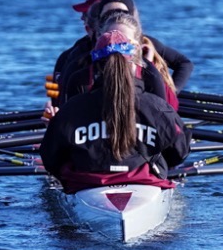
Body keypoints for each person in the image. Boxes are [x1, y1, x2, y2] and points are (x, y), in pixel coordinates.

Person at [40, 12, 191, 193]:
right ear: (134, 58)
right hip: (144, 183)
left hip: (86, 186)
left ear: (96, 63)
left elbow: (50, 159)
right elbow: (180, 152)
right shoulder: (156, 107)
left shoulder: (71, 110)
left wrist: (57, 127)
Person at [49, 0, 193, 108]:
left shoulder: (149, 54)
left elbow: (167, 111)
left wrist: (171, 89)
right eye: (108, 16)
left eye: (122, 14)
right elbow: (62, 106)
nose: (115, 19)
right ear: (99, 26)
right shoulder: (77, 59)